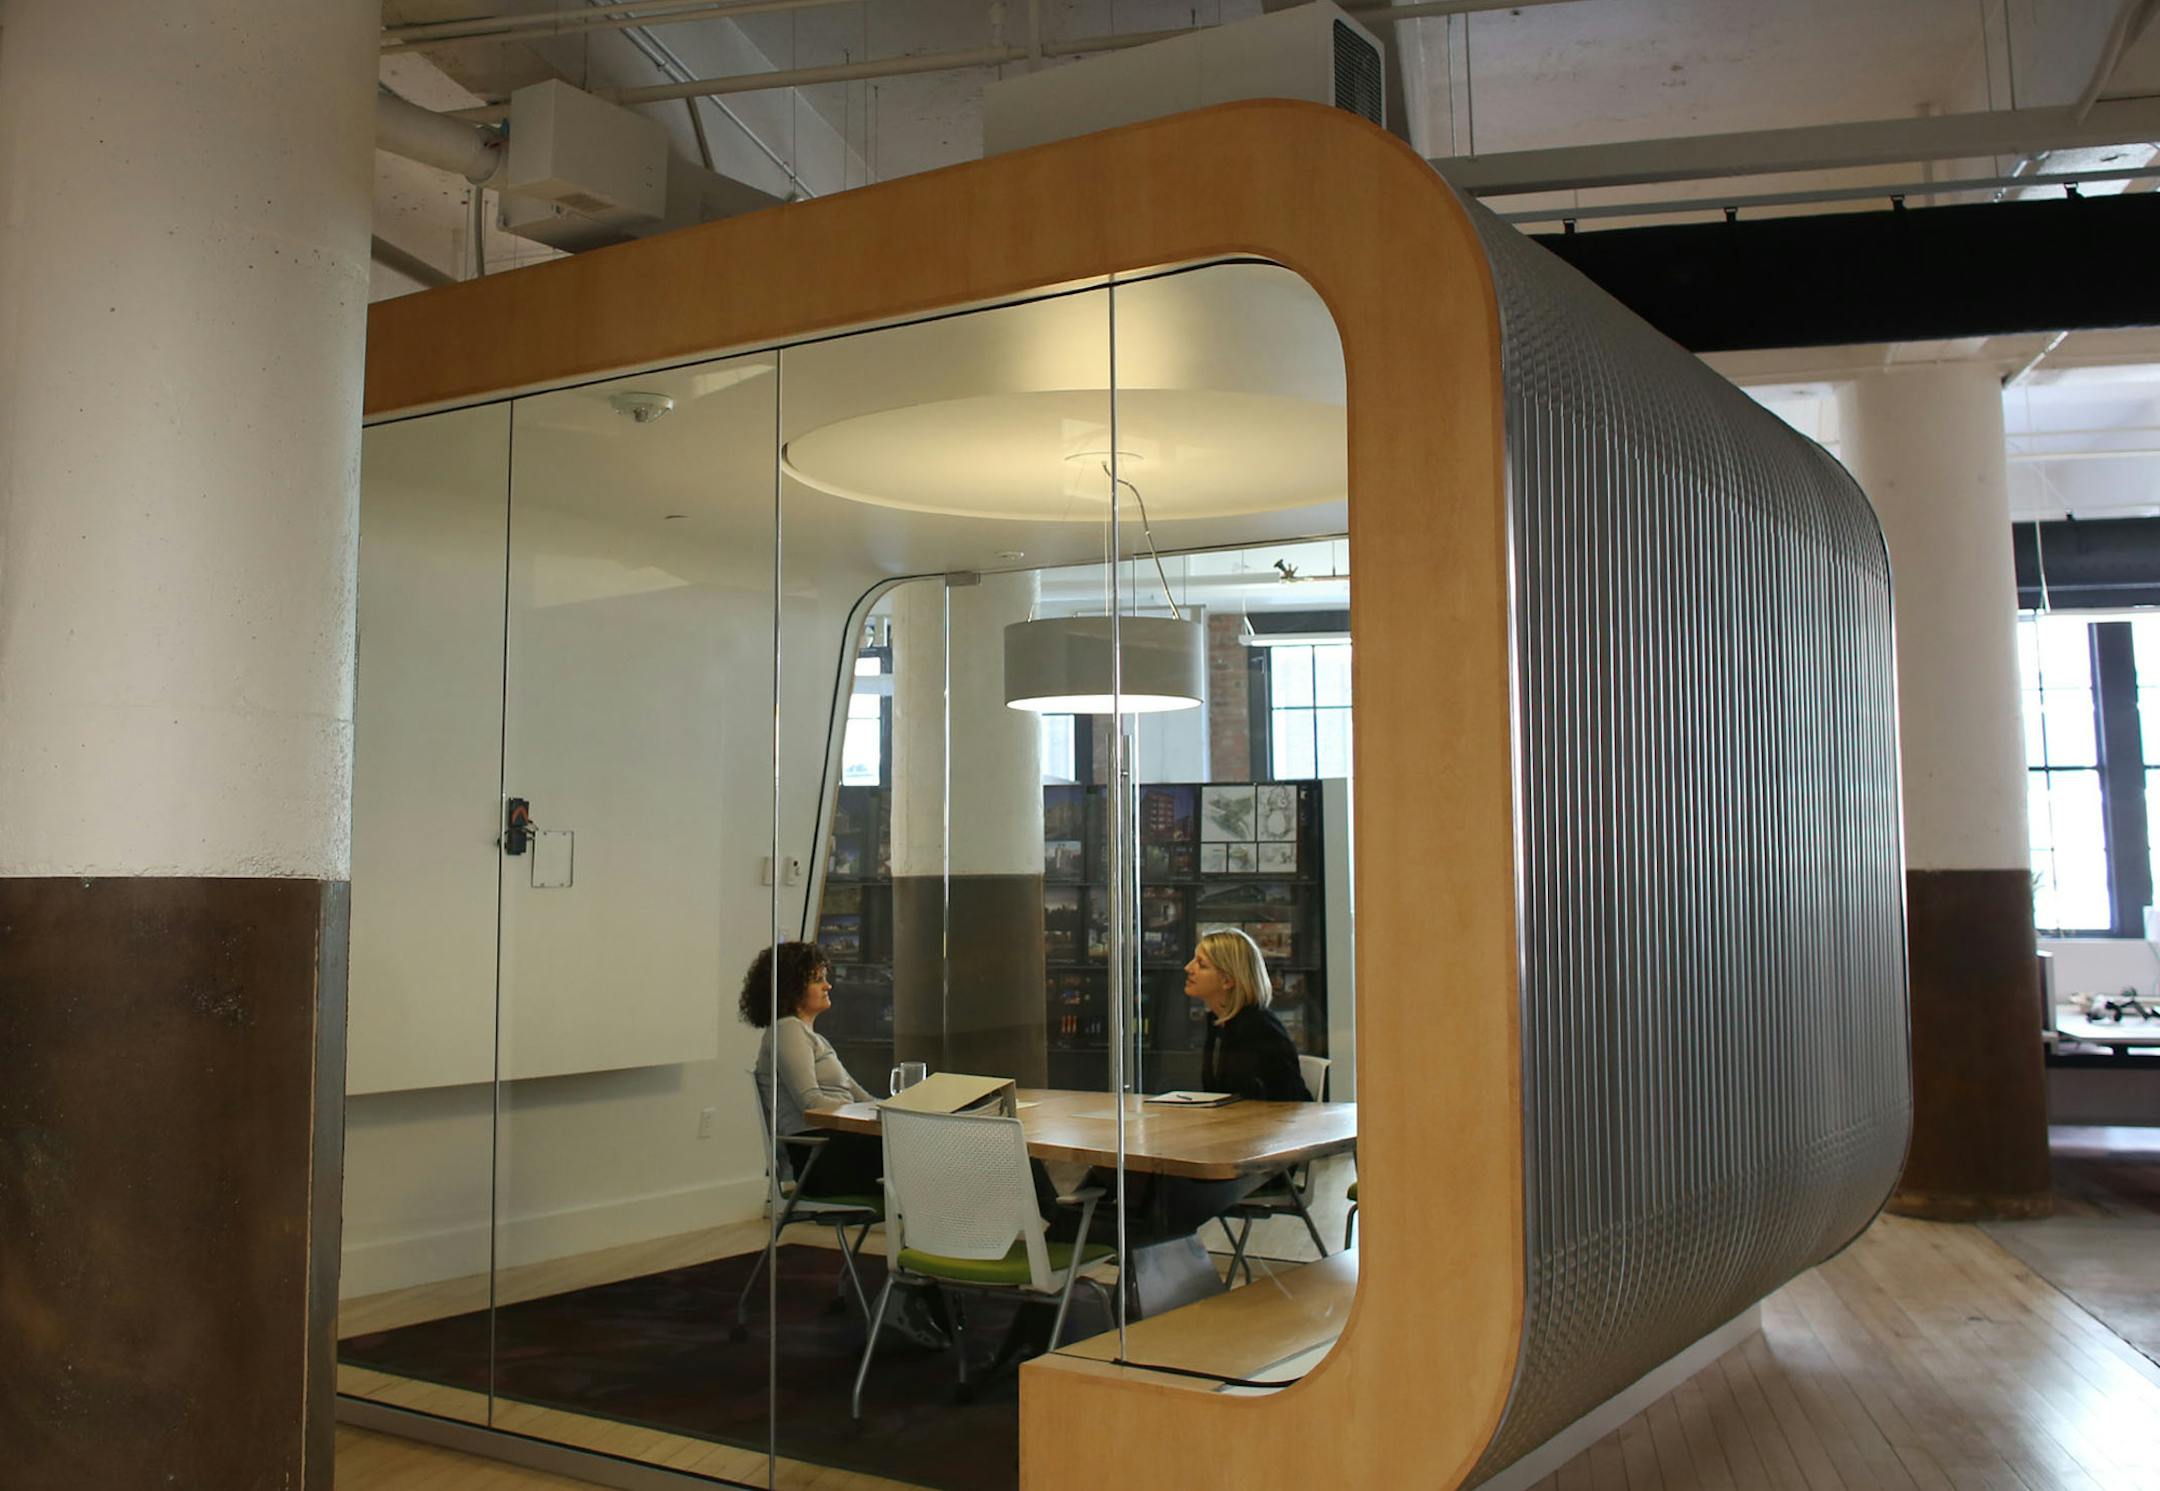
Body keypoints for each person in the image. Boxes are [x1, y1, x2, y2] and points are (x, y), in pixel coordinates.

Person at [740, 941, 881, 1198]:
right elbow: (811, 1102)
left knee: (924, 1152)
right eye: (818, 980)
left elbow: (863, 1098)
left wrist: (900, 1111)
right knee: (925, 1160)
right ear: (792, 989)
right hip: (823, 1156)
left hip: (838, 1143)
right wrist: (869, 1117)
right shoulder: (787, 1030)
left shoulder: (813, 1037)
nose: (828, 986)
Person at [1188, 927, 1308, 1103]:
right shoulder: (1219, 1021)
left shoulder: (1258, 1029)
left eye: (1201, 964)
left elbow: (1282, 1099)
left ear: (1227, 980)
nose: (1188, 968)